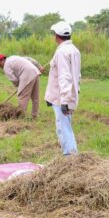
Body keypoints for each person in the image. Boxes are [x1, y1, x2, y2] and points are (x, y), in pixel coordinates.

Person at [45, 21, 81, 155]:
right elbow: (77, 75)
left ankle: (70, 157)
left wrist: (65, 100)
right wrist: (51, 96)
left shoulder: (61, 52)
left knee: (63, 128)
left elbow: (64, 77)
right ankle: (70, 155)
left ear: (56, 35)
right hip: (65, 95)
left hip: (62, 97)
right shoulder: (74, 50)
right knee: (66, 126)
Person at [0, 54, 44, 119]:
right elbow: (29, 59)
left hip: (27, 74)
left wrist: (19, 86)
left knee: (22, 96)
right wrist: (39, 66)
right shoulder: (13, 57)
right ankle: (34, 115)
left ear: (2, 61)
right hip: (35, 71)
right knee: (35, 97)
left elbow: (13, 79)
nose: (0, 67)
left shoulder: (6, 66)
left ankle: (21, 117)